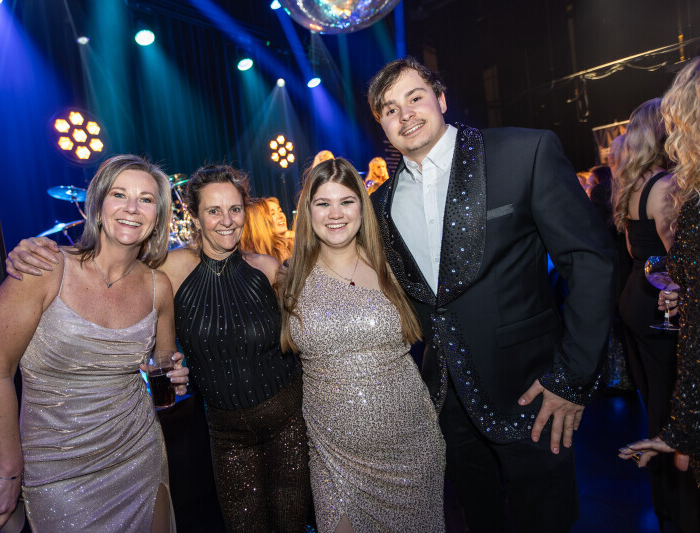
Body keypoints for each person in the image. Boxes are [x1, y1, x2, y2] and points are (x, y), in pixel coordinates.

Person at [366, 57, 616, 532]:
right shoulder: (380, 204)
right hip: (447, 408)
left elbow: (590, 262)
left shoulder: (522, 152)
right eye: (390, 109)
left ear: (441, 99)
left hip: (534, 393)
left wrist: (572, 377)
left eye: (415, 98)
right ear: (382, 124)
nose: (405, 114)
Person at [6, 165, 311, 533]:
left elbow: (299, 336)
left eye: (235, 209)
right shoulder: (168, 269)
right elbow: (112, 263)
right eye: (213, 210)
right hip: (226, 434)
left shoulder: (267, 268)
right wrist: (35, 248)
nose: (227, 220)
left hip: (288, 419)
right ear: (194, 217)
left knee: (294, 522)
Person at [0, 155, 189, 533]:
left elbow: (164, 369)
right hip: (58, 472)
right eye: (119, 194)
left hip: (139, 454)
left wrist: (175, 379)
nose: (132, 208)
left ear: (157, 217)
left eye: (146, 199)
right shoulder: (44, 269)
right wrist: (8, 471)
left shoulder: (159, 287)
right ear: (97, 206)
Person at [279, 157, 445, 532]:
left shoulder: (394, 265)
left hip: (411, 447)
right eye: (323, 203)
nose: (335, 214)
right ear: (308, 211)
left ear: (362, 206)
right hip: (335, 459)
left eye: (346, 201)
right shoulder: (290, 277)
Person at [620, 56, 700, 532]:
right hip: (655, 297)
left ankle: (668, 503)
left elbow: (638, 251)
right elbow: (678, 259)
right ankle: (678, 502)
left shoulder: (634, 185)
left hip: (636, 295)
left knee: (656, 398)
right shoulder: (668, 186)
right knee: (667, 397)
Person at [240, 198, 293, 263]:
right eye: (272, 213)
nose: (281, 216)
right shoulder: (249, 257)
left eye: (280, 211)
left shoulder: (288, 246)